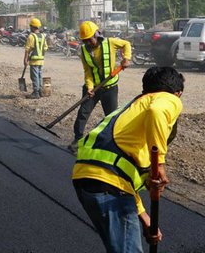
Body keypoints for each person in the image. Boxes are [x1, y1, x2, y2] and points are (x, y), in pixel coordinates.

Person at [72, 66, 184, 253]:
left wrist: (144, 217)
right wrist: (160, 164)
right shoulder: (168, 99)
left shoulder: (132, 106)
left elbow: (120, 171)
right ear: (178, 93)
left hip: (87, 180)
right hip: (109, 187)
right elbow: (157, 111)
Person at [69, 21, 132, 153]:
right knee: (83, 113)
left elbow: (126, 44)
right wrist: (90, 87)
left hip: (110, 87)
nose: (87, 43)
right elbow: (87, 71)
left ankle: (111, 144)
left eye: (89, 39)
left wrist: (126, 58)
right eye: (84, 40)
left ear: (97, 35)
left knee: (110, 117)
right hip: (93, 88)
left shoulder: (111, 43)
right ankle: (78, 140)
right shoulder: (83, 50)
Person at [23, 18, 48, 99]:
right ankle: (40, 91)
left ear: (32, 27)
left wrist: (25, 59)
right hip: (41, 60)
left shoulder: (31, 36)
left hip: (34, 60)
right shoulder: (43, 36)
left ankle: (36, 93)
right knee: (39, 75)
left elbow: (27, 49)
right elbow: (45, 48)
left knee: (34, 76)